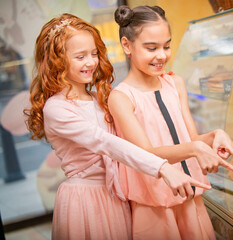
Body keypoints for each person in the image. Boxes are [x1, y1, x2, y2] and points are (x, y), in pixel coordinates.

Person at [24, 13, 210, 240]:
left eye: (94, 54)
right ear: (57, 61)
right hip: (86, 199)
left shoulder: (99, 98)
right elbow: (106, 143)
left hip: (118, 194)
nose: (91, 62)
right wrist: (163, 167)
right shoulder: (57, 109)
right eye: (80, 56)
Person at [109, 5, 233, 240]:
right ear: (127, 45)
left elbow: (192, 139)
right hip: (155, 204)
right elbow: (146, 154)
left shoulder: (175, 83)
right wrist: (194, 149)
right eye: (151, 48)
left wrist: (213, 136)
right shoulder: (121, 98)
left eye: (167, 46)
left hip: (191, 198)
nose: (161, 55)